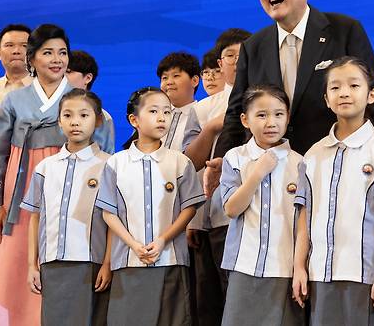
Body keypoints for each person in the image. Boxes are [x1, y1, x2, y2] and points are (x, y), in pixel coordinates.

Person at [0, 24, 111, 326]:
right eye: (48, 52)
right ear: (32, 59)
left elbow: (106, 156)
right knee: (15, 260)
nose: (57, 59)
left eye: (62, 53)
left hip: (71, 191)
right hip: (19, 192)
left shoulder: (80, 102)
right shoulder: (15, 101)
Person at [215, 0, 374, 161]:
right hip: (271, 172)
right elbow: (236, 114)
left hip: (335, 163)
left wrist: (354, 152)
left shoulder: (344, 30)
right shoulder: (253, 46)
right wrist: (221, 158)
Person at [292, 57, 374, 325]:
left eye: (353, 85)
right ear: (326, 99)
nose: (344, 93)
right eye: (335, 88)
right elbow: (304, 218)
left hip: (366, 276)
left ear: (371, 95)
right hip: (320, 273)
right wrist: (299, 267)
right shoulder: (312, 155)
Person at [96, 87, 205, 326]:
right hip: (127, 260)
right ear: (134, 119)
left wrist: (163, 240)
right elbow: (108, 212)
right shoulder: (116, 163)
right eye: (154, 111)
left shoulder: (180, 162)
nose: (161, 117)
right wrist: (134, 244)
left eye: (167, 112)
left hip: (171, 260)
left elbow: (189, 208)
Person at [21, 89, 112, 325]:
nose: (75, 122)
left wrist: (108, 263)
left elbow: (114, 219)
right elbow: (35, 218)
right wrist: (33, 265)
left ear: (98, 120)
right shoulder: (45, 167)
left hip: (90, 262)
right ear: (59, 121)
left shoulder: (109, 166)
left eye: (84, 115)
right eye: (68, 115)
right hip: (51, 264)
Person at [182, 28, 251, 326]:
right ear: (219, 64)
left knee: (238, 299)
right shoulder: (202, 108)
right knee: (206, 302)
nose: (235, 62)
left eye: (242, 55)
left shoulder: (264, 101)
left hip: (244, 217)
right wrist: (212, 128)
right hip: (207, 216)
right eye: (229, 56)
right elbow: (189, 162)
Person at [220, 85, 304, 326]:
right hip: (243, 264)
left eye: (279, 114)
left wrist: (300, 267)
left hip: (284, 266)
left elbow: (302, 222)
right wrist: (256, 174)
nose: (271, 122)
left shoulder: (301, 163)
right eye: (261, 115)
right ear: (245, 120)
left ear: (288, 117)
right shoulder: (235, 157)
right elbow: (231, 209)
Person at [66, 50, 116, 153]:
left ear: (88, 78)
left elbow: (108, 155)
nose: (62, 77)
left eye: (69, 71)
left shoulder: (102, 117)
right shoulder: (48, 111)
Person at [156, 52, 200, 151]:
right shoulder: (153, 114)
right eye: (164, 78)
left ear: (194, 81)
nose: (169, 82)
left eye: (176, 76)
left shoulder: (202, 114)